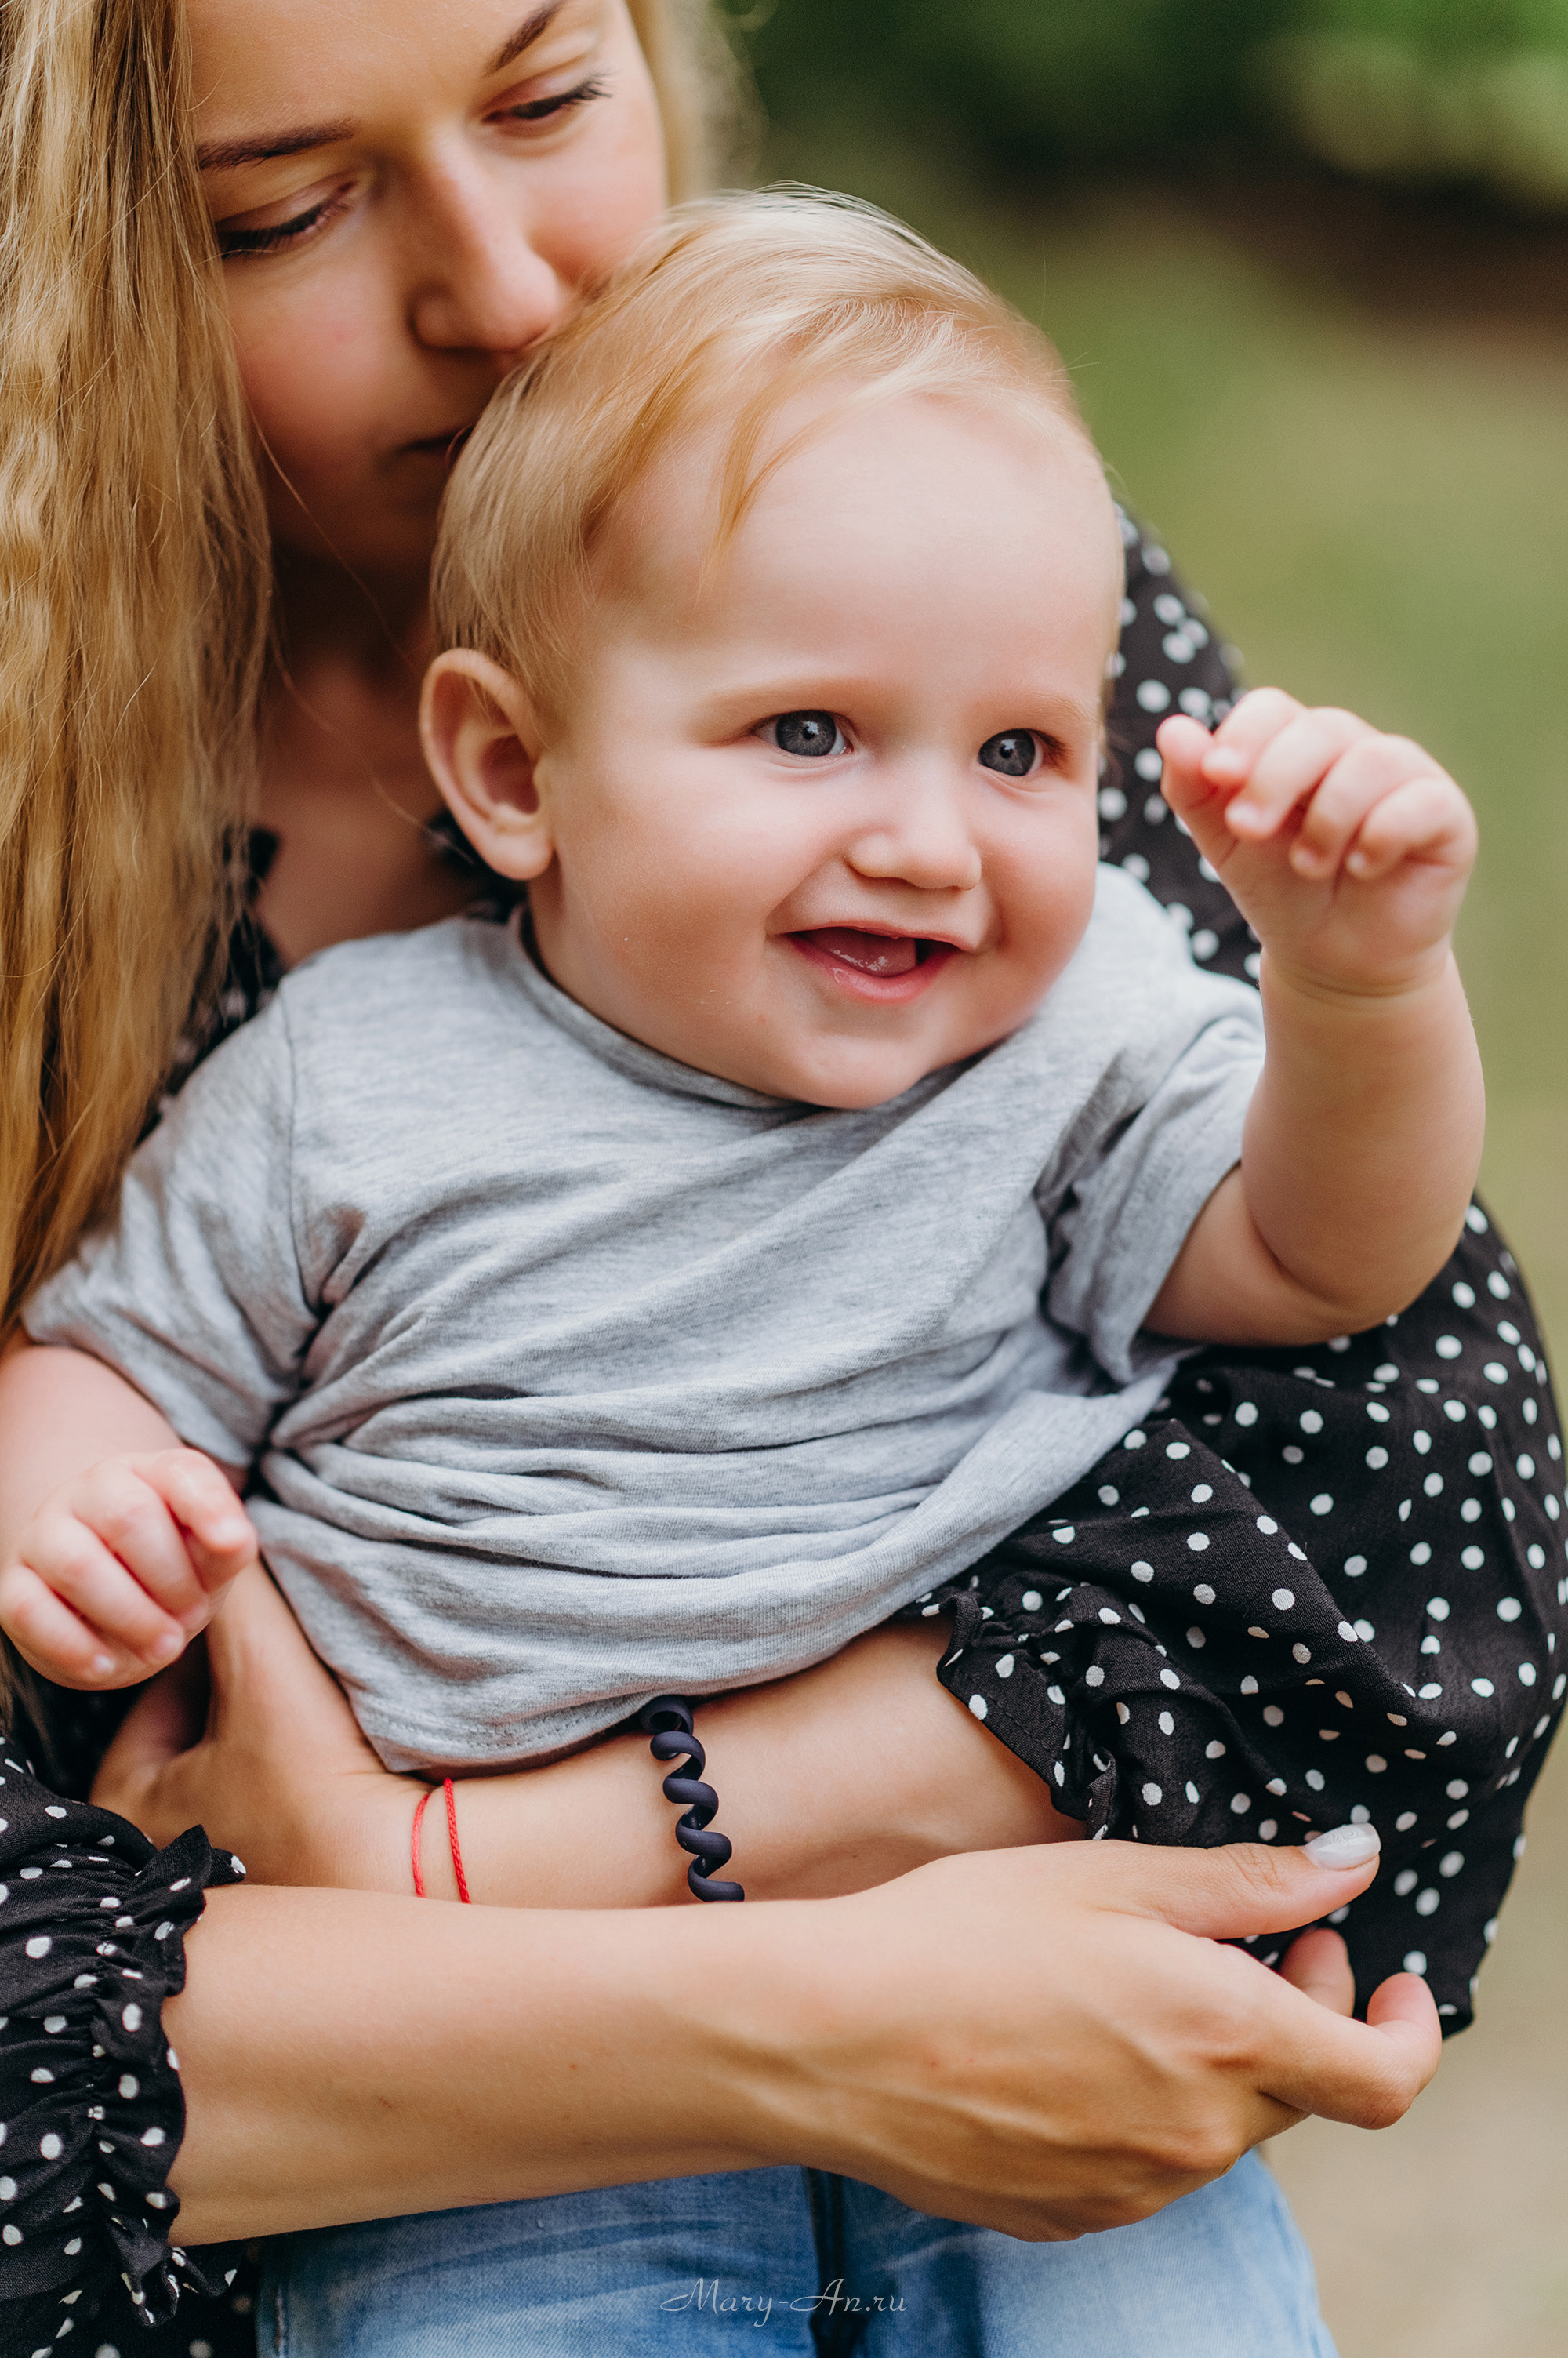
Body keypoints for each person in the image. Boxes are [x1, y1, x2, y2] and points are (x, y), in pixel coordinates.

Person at [0, 0, 1527, 2349]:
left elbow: (1358, 1307)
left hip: (1028, 2032)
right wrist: (60, 1443)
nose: (505, 289)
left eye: (544, 97)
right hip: (485, 2136)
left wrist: (1352, 993)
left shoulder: (1040, 959)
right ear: (509, 774)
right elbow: (128, 1354)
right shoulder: (349, 1082)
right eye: (279, 210)